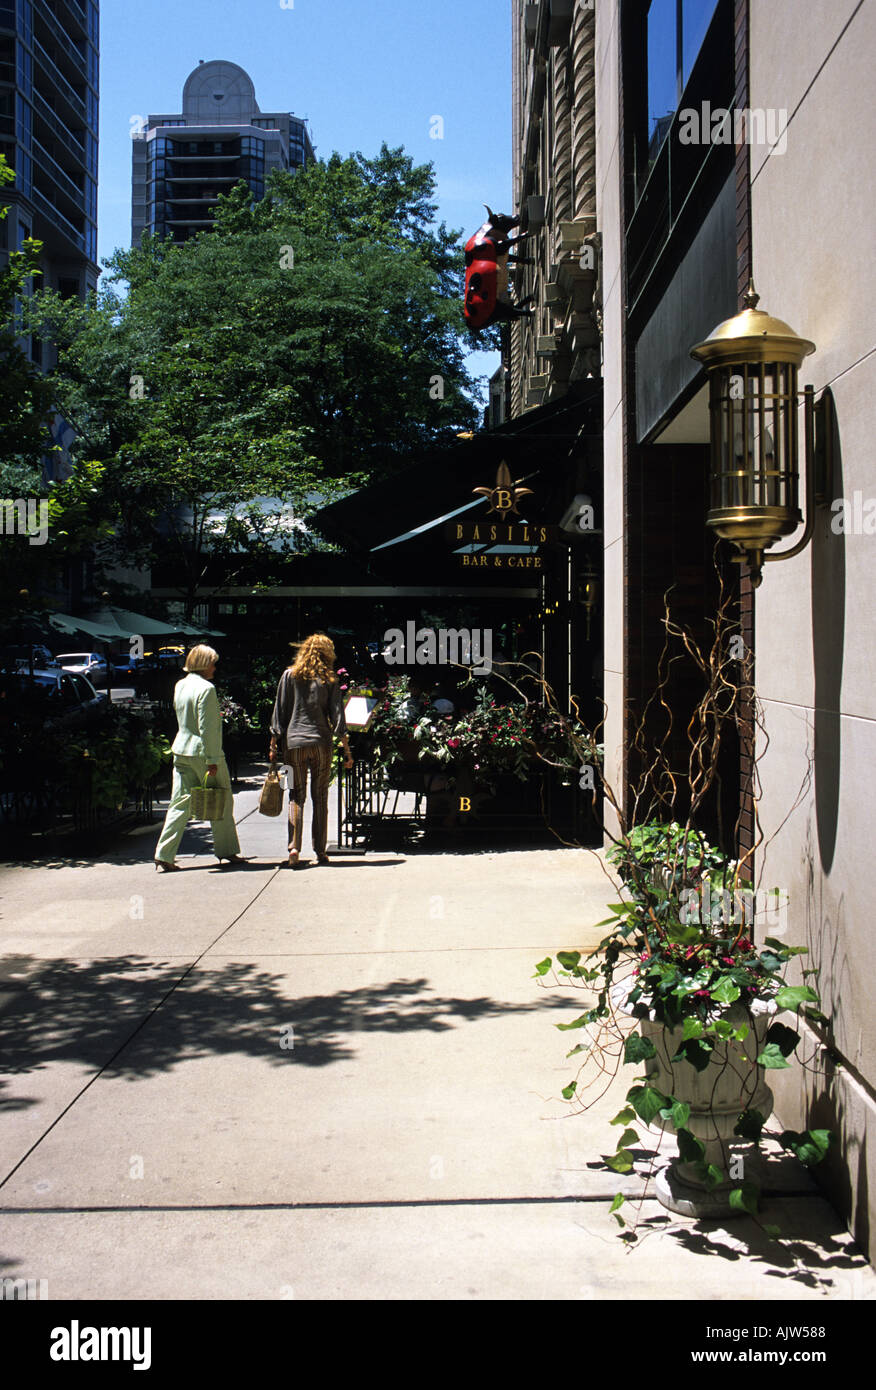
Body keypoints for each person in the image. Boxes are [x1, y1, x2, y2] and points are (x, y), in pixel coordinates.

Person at [154, 645, 243, 871]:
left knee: (179, 803)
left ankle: (164, 853)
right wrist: (212, 759)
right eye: (213, 662)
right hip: (203, 753)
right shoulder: (207, 689)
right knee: (221, 800)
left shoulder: (180, 685)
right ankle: (227, 850)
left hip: (181, 749)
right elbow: (208, 728)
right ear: (205, 664)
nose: (215, 667)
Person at [270, 633, 353, 867]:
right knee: (320, 796)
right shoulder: (330, 680)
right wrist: (347, 750)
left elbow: (280, 711)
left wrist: (273, 743)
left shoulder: (289, 676)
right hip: (321, 744)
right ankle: (320, 851)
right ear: (328, 653)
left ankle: (294, 847)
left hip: (293, 744)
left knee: (296, 794)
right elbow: (338, 718)